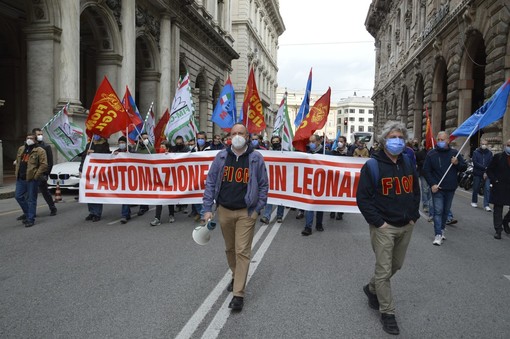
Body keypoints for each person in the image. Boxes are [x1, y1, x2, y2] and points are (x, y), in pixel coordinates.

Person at [356, 121, 420, 336]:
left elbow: (415, 192)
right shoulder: (372, 166)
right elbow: (363, 199)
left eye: (401, 138)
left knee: (396, 265)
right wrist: (379, 222)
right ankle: (388, 313)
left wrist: (413, 216)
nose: (397, 141)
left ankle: (371, 287)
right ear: (384, 140)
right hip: (384, 227)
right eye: (393, 137)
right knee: (384, 270)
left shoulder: (408, 163)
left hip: (406, 225)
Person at [202, 123, 268, 312]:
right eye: (234, 133)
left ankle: (238, 294)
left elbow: (263, 186)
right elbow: (211, 182)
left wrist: (257, 209)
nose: (237, 136)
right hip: (224, 210)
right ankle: (235, 274)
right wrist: (207, 208)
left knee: (242, 251)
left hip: (246, 212)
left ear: (247, 136)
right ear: (229, 136)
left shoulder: (256, 158)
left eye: (241, 133)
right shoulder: (221, 157)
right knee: (230, 249)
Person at [423, 131, 467, 246]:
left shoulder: (454, 153)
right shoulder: (431, 154)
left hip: (450, 188)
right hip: (437, 188)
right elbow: (426, 171)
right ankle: (437, 234)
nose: (441, 142)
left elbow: (463, 168)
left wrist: (457, 163)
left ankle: (442, 229)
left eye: (443, 140)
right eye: (439, 140)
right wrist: (432, 184)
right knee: (438, 211)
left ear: (448, 140)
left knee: (445, 211)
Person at [15, 132, 48, 227]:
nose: (29, 140)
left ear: (35, 140)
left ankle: (30, 219)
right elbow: (18, 161)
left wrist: (36, 175)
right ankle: (28, 213)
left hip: (31, 179)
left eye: (31, 138)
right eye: (28, 138)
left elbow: (44, 165)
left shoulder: (39, 150)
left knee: (31, 199)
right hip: (20, 178)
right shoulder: (21, 149)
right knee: (18, 196)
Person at [301, 134, 328, 236]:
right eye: (310, 142)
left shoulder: (325, 153)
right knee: (310, 205)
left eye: (313, 142)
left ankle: (319, 224)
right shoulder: (308, 154)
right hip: (310, 182)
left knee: (319, 205)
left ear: (318, 142)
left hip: (321, 183)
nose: (311, 144)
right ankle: (308, 227)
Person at [79, 135, 111, 222]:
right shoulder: (89, 144)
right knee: (89, 192)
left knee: (97, 193)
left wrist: (94, 153)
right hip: (88, 172)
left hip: (98, 172)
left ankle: (97, 213)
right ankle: (91, 212)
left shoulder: (105, 145)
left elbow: (106, 156)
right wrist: (81, 170)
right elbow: (83, 158)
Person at [486, 139, 510, 239]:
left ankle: (506, 220)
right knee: (498, 209)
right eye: (509, 145)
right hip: (499, 186)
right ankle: (498, 230)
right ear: (505, 145)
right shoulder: (498, 157)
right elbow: (489, 170)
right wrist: (495, 180)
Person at [32, 127, 57, 216]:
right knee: (30, 194)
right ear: (34, 135)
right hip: (31, 173)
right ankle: (29, 212)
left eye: (41, 134)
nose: (40, 136)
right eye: (38, 134)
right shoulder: (31, 145)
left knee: (45, 192)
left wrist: (46, 174)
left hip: (42, 173)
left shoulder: (46, 146)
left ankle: (52, 208)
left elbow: (50, 162)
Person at [260, 136, 285, 224]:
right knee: (269, 197)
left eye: (277, 141)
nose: (275, 143)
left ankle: (279, 216)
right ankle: (266, 216)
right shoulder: (268, 153)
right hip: (270, 178)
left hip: (282, 178)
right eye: (273, 141)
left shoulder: (285, 152)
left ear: (280, 142)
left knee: (280, 197)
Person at [113, 136, 132, 224]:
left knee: (127, 196)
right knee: (124, 196)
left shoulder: (131, 150)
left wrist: (130, 155)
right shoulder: (117, 152)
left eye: (123, 142)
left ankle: (126, 214)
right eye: (120, 142)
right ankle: (125, 214)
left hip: (130, 177)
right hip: (121, 178)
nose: (121, 144)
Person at [134, 132, 154, 216]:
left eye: (147, 138)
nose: (146, 140)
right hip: (138, 172)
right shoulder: (135, 149)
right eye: (144, 138)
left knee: (144, 189)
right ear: (139, 139)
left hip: (147, 172)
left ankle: (143, 206)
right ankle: (143, 205)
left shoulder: (151, 148)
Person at [329, 135, 349, 220]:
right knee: (333, 194)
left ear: (345, 143)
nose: (339, 143)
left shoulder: (348, 153)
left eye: (341, 141)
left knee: (342, 195)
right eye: (338, 141)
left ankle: (340, 212)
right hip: (335, 177)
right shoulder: (334, 152)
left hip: (344, 177)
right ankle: (332, 210)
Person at [471, 138, 493, 211]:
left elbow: (490, 163)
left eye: (485, 144)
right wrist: (484, 168)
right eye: (483, 144)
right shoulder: (475, 152)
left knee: (487, 189)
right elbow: (475, 162)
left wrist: (486, 171)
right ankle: (474, 201)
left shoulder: (489, 153)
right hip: (477, 173)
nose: (484, 145)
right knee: (476, 187)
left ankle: (486, 205)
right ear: (480, 144)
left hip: (487, 173)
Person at [415, 140, 432, 219]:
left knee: (430, 189)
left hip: (431, 174)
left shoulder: (433, 152)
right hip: (423, 174)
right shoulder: (419, 153)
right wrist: (424, 162)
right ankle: (426, 205)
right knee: (425, 189)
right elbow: (417, 162)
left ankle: (430, 204)